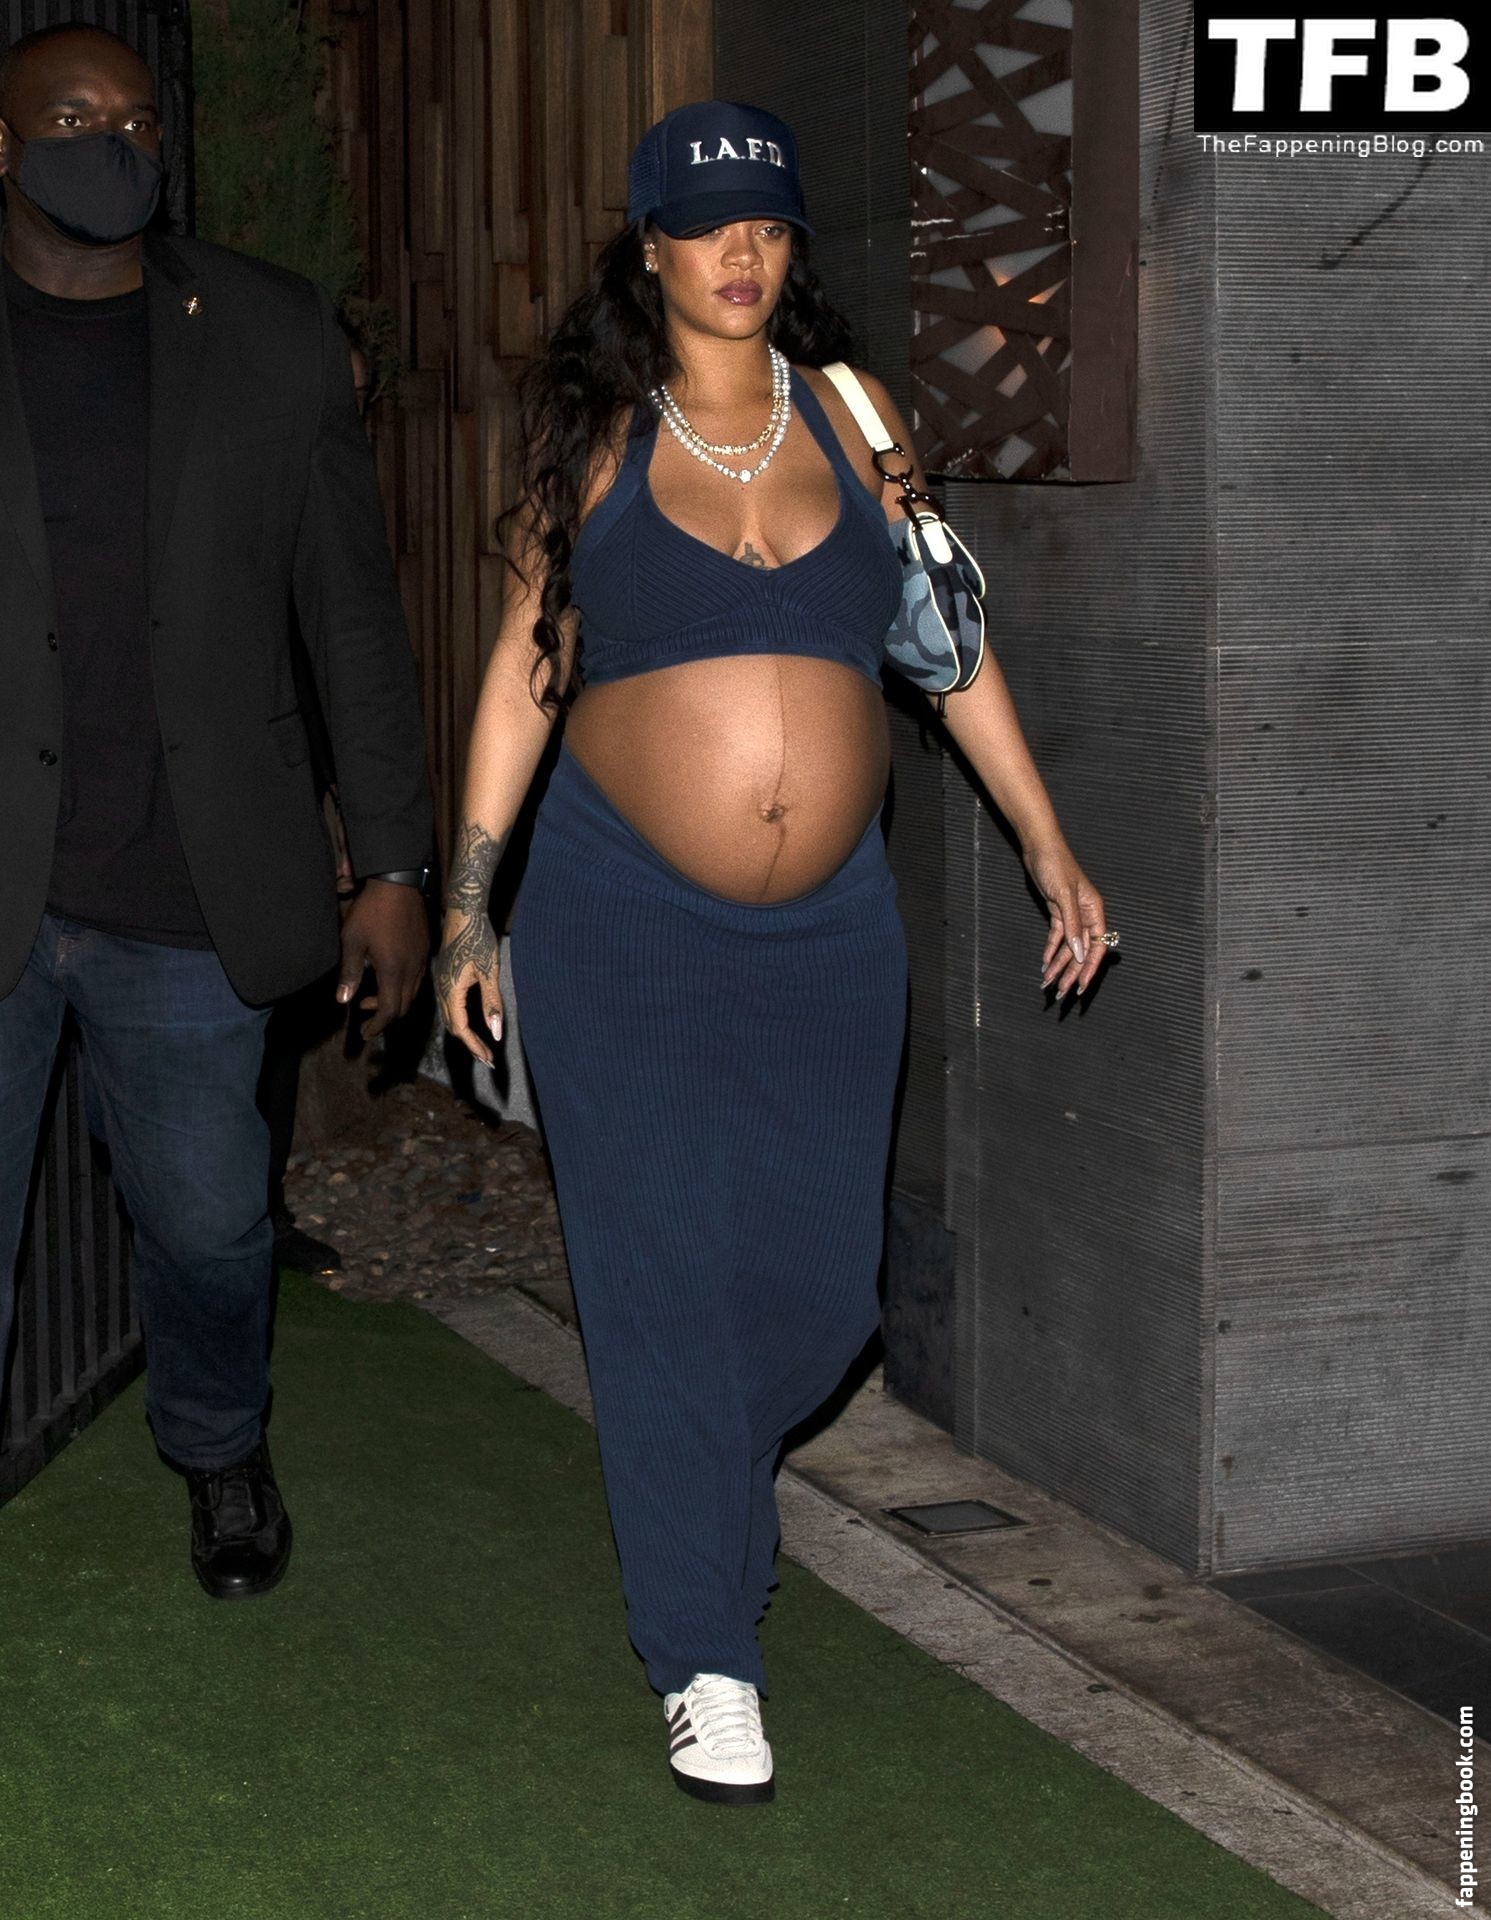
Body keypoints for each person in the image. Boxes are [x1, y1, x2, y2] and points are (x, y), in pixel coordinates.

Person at [436, 100, 1112, 1803]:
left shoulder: (861, 417)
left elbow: (948, 646)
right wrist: (467, 901)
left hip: (830, 933)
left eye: (767, 224)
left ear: (792, 244)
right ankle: (705, 1652)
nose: (740, 253)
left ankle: (704, 1484)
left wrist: (1045, 841)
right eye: (706, 225)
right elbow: (525, 670)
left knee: (817, 1294)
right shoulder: (595, 437)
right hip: (620, 921)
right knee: (663, 1287)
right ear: (650, 249)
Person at [0, 25, 433, 1599]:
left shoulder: (266, 330)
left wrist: (394, 862)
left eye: (135, 121)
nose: (109, 144)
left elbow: (352, 617)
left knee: (211, 1232)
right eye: (70, 118)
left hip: (187, 880)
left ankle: (217, 1440)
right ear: (2, 147)